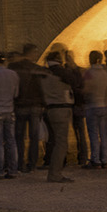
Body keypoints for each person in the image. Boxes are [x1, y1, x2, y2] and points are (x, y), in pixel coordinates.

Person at [40, 51, 80, 182]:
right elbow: (77, 82)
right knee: (62, 143)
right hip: (61, 108)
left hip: (50, 108)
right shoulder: (60, 72)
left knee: (55, 141)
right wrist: (73, 66)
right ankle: (55, 173)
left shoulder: (44, 73)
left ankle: (53, 170)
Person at [10, 44, 46, 173]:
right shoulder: (38, 69)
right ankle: (32, 164)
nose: (37, 55)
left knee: (19, 136)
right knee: (34, 136)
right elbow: (42, 89)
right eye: (35, 53)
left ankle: (20, 163)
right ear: (30, 53)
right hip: (35, 106)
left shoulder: (14, 68)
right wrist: (43, 104)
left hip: (19, 105)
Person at [82, 50, 107, 168]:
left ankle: (96, 160)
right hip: (106, 105)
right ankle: (106, 159)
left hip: (93, 106)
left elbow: (86, 89)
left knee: (94, 134)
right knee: (105, 133)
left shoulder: (88, 73)